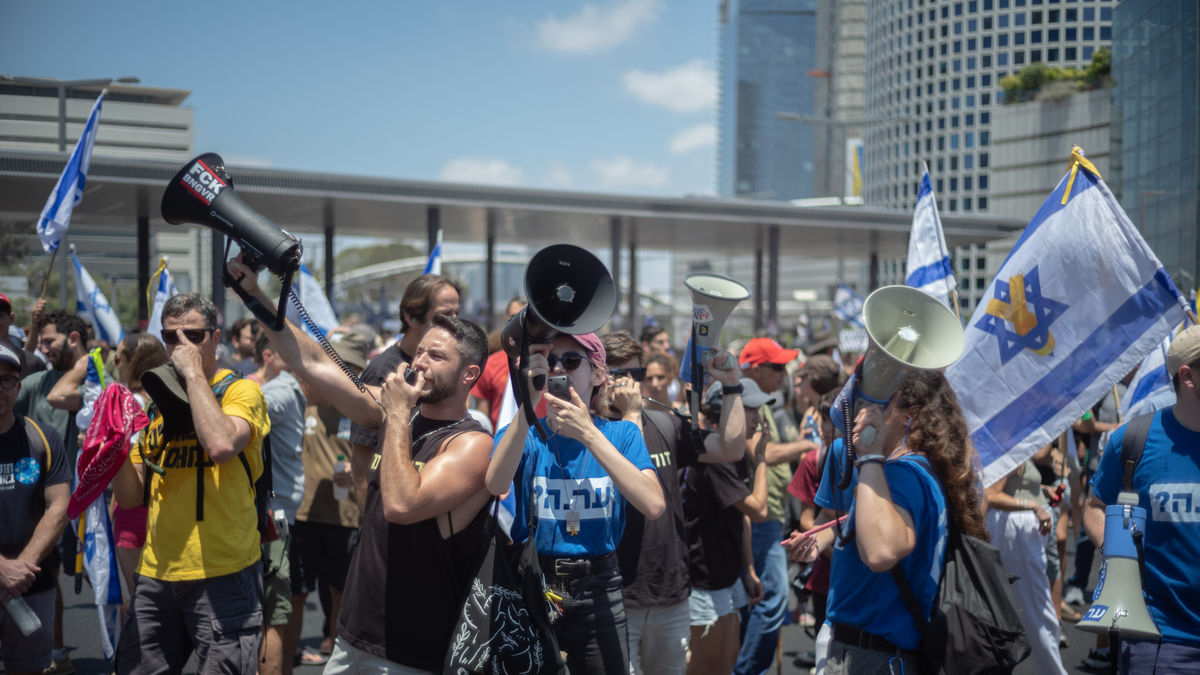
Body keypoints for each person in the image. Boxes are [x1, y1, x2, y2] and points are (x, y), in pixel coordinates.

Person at [786, 370, 989, 675]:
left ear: (911, 416)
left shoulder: (900, 475)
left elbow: (880, 552)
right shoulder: (912, 470)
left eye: (878, 407)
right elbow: (861, 521)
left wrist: (869, 458)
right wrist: (824, 537)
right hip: (873, 650)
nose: (862, 415)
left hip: (874, 655)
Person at [487, 332, 666, 675]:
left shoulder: (621, 434)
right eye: (550, 361)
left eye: (570, 361)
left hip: (599, 584)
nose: (558, 369)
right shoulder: (528, 432)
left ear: (598, 374)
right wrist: (529, 400)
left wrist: (588, 434)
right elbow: (495, 484)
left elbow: (653, 504)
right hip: (537, 580)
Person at [112, 293, 270, 674]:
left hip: (223, 571)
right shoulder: (156, 406)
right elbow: (132, 496)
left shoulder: (240, 391)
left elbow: (219, 444)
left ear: (216, 338)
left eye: (194, 336)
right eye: (170, 337)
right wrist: (112, 449)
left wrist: (194, 374)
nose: (181, 346)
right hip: (157, 571)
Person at [599, 332, 746, 675]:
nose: (629, 386)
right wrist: (630, 416)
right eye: (618, 376)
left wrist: (732, 385)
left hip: (670, 591)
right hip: (616, 593)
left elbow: (731, 447)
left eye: (635, 376)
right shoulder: (589, 431)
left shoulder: (664, 423)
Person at [1085, 325, 1200, 674]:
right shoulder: (1134, 439)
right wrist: (1120, 554)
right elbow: (1094, 507)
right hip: (1161, 641)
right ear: (1187, 376)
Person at [284, 331, 367, 669]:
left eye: (349, 366)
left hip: (346, 513)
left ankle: (336, 649)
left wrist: (357, 469)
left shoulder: (364, 408)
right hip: (302, 512)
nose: (342, 371)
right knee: (296, 590)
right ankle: (287, 654)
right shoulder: (303, 397)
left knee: (340, 590)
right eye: (338, 363)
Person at [15, 307, 89, 674]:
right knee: (48, 573)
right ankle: (55, 652)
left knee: (99, 578)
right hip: (40, 502)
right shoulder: (32, 384)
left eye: (48, 341)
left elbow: (65, 397)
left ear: (72, 339)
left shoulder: (95, 380)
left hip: (89, 502)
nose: (42, 348)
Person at [735, 337, 814, 675]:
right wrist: (807, 444)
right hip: (758, 516)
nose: (785, 374)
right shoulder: (744, 399)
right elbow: (758, 451)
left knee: (760, 602)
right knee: (772, 600)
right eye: (777, 367)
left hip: (769, 514)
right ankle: (746, 671)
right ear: (754, 368)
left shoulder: (764, 402)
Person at [348, 274, 460, 506]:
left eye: (457, 313)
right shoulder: (382, 371)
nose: (454, 322)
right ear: (411, 317)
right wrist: (369, 519)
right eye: (445, 315)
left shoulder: (451, 366)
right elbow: (361, 458)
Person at [684, 380, 772, 675]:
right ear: (724, 411)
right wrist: (761, 460)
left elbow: (742, 517)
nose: (757, 419)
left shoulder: (733, 453)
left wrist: (748, 569)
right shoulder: (716, 457)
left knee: (727, 659)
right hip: (704, 578)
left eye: (758, 410)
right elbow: (758, 510)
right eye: (749, 410)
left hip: (728, 572)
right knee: (705, 664)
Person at [0, 342, 70, 675]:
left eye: (7, 380)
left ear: (18, 383)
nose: (0, 389)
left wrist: (19, 570)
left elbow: (59, 507)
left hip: (30, 584)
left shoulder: (42, 437)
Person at [250, 333, 308, 675]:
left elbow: (245, 407)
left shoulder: (282, 389)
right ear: (270, 355)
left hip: (273, 513)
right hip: (277, 509)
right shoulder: (287, 386)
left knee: (269, 614)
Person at [985, 455, 1067, 675]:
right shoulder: (1010, 448)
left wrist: (1042, 492)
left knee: (1031, 606)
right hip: (1017, 531)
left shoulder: (1016, 445)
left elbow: (1014, 485)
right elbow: (992, 495)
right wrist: (1033, 505)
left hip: (1021, 530)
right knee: (1036, 607)